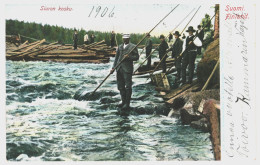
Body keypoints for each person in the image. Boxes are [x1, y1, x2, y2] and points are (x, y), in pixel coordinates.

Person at [110, 34, 139, 110]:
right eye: (123, 39)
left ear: (129, 39)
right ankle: (123, 101)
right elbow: (116, 58)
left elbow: (137, 57)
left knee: (128, 86)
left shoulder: (133, 47)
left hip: (127, 69)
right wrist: (113, 68)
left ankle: (127, 103)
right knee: (120, 86)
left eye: (126, 39)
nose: (124, 40)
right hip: (119, 68)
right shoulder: (119, 47)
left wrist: (129, 57)